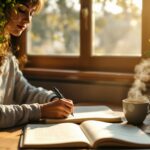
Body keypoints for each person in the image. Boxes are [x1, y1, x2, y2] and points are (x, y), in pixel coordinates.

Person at [0, 0, 74, 129]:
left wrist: (51, 99)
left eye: (32, 13)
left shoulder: (6, 53)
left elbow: (25, 92)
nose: (28, 20)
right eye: (22, 10)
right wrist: (40, 111)